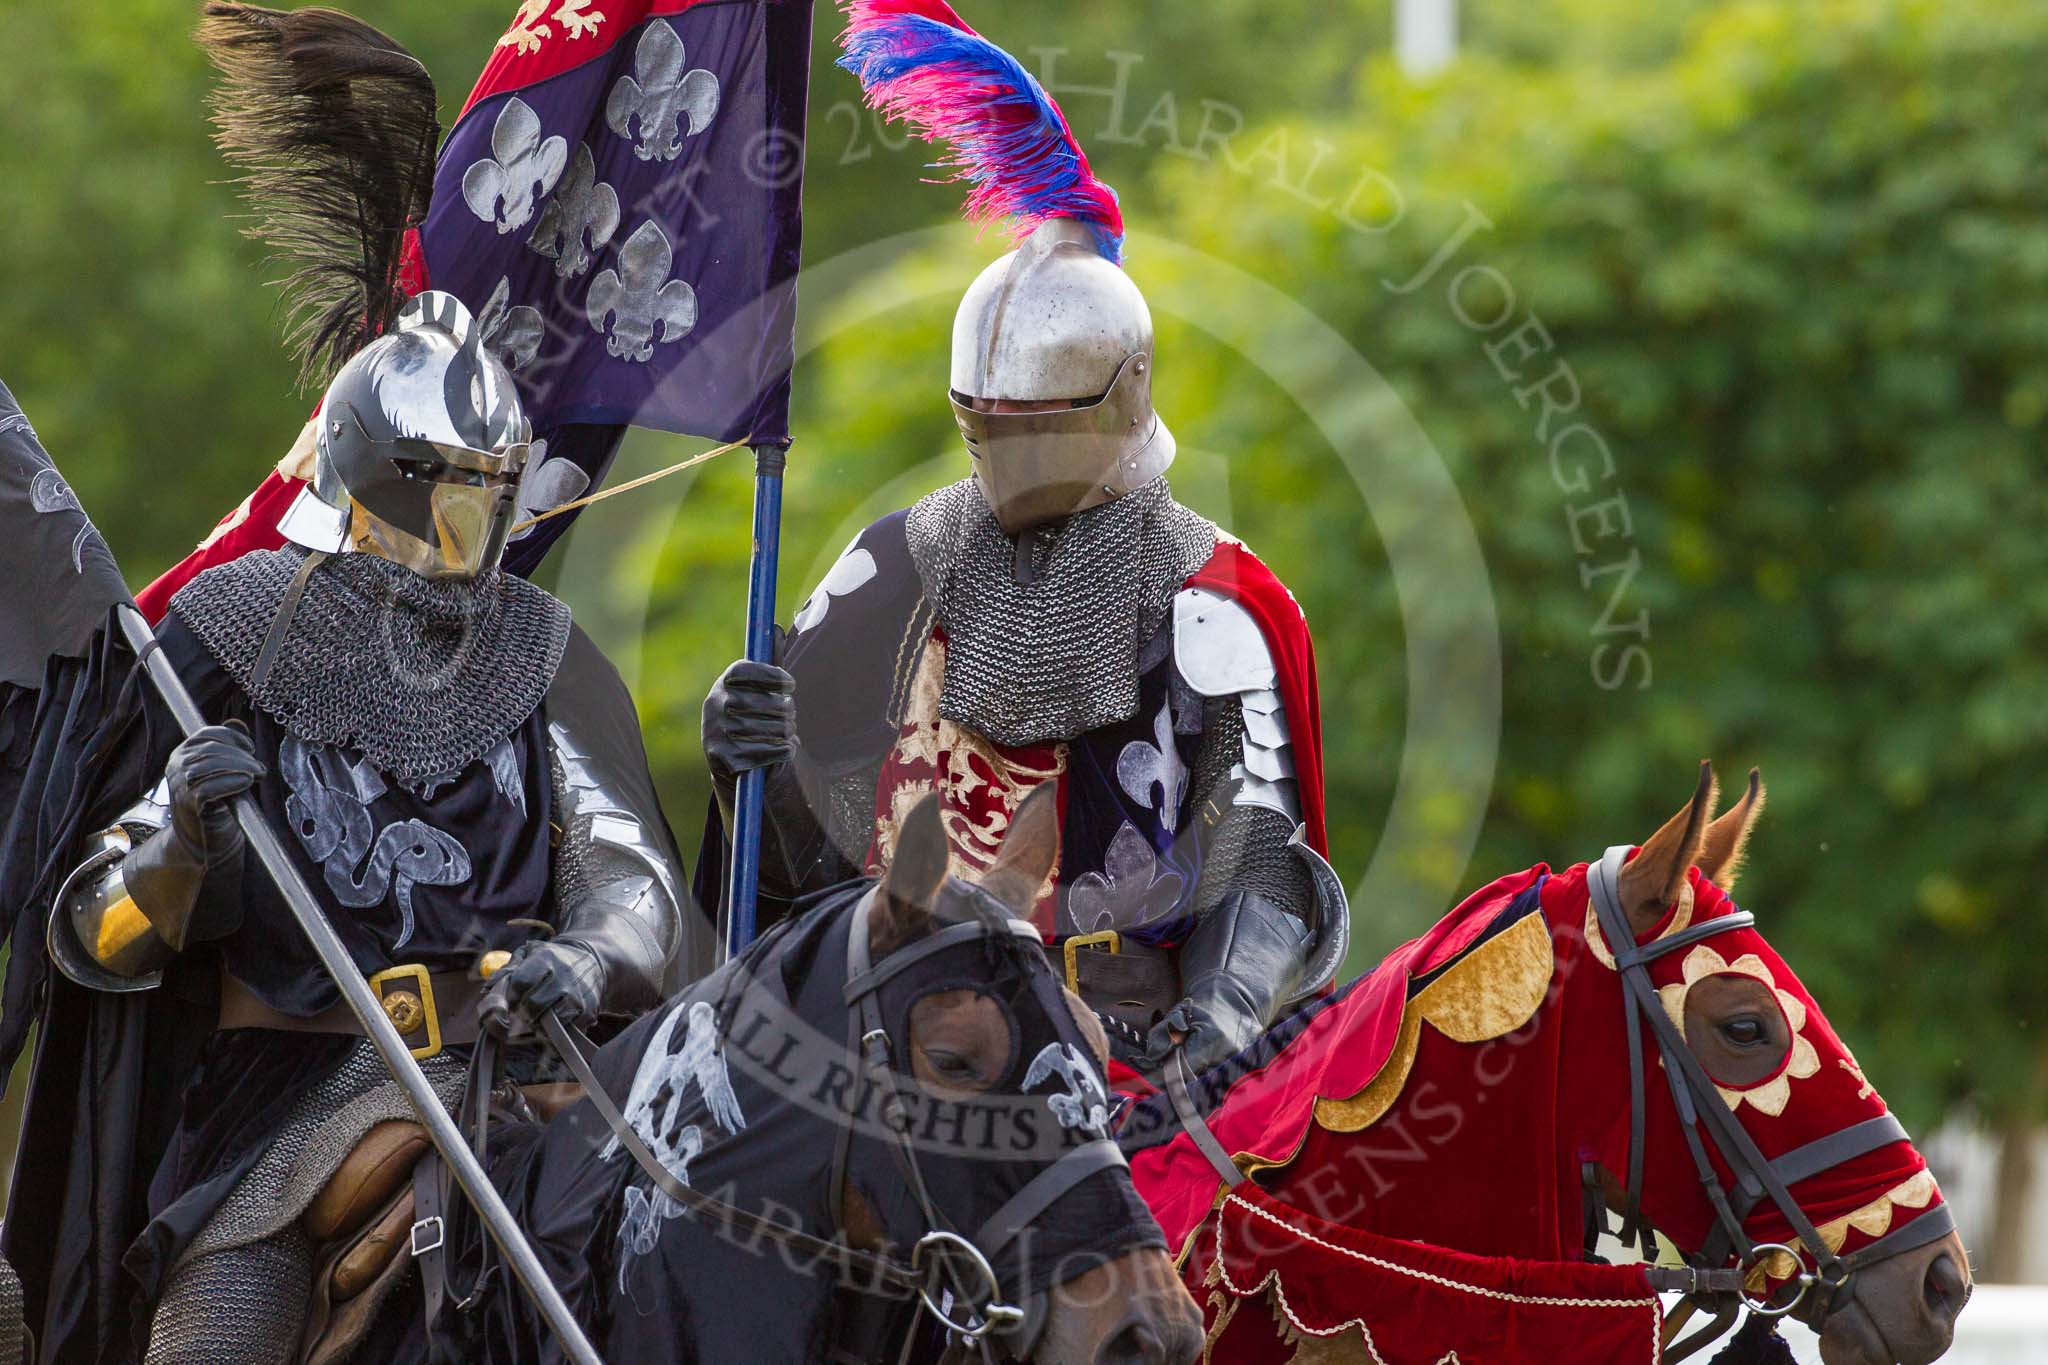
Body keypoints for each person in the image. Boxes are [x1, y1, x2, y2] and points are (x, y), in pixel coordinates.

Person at [702, 6, 1345, 1077]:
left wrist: (1224, 1012)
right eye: (985, 427)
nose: (1007, 458)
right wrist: (744, 763)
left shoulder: (1212, 604)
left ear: (1117, 396)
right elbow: (791, 867)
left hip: (1136, 1056)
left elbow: (1259, 856)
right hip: (892, 1044)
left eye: (1036, 429)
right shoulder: (885, 572)